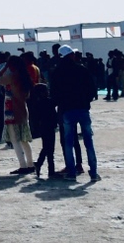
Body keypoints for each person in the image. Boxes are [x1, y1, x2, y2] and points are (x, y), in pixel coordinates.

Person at [50, 46, 98, 182]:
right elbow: (92, 90)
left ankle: (71, 172)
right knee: (88, 142)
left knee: (68, 142)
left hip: (66, 110)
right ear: (71, 55)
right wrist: (85, 101)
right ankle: (93, 172)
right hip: (82, 109)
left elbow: (53, 93)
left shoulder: (56, 72)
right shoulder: (81, 69)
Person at [27, 83, 59, 179]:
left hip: (42, 128)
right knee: (49, 149)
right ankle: (49, 170)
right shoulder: (48, 101)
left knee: (46, 147)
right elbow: (56, 101)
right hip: (49, 127)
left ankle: (42, 165)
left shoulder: (36, 103)